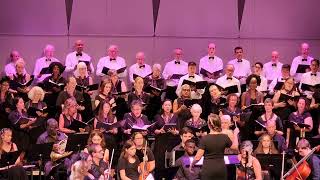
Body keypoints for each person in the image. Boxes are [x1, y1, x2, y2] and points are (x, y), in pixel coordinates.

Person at [190, 114, 237, 180]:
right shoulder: (224, 137)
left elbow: (198, 157)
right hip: (221, 169)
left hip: (208, 170)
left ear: (209, 125)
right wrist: (235, 133)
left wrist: (192, 164)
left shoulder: (205, 139)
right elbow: (235, 147)